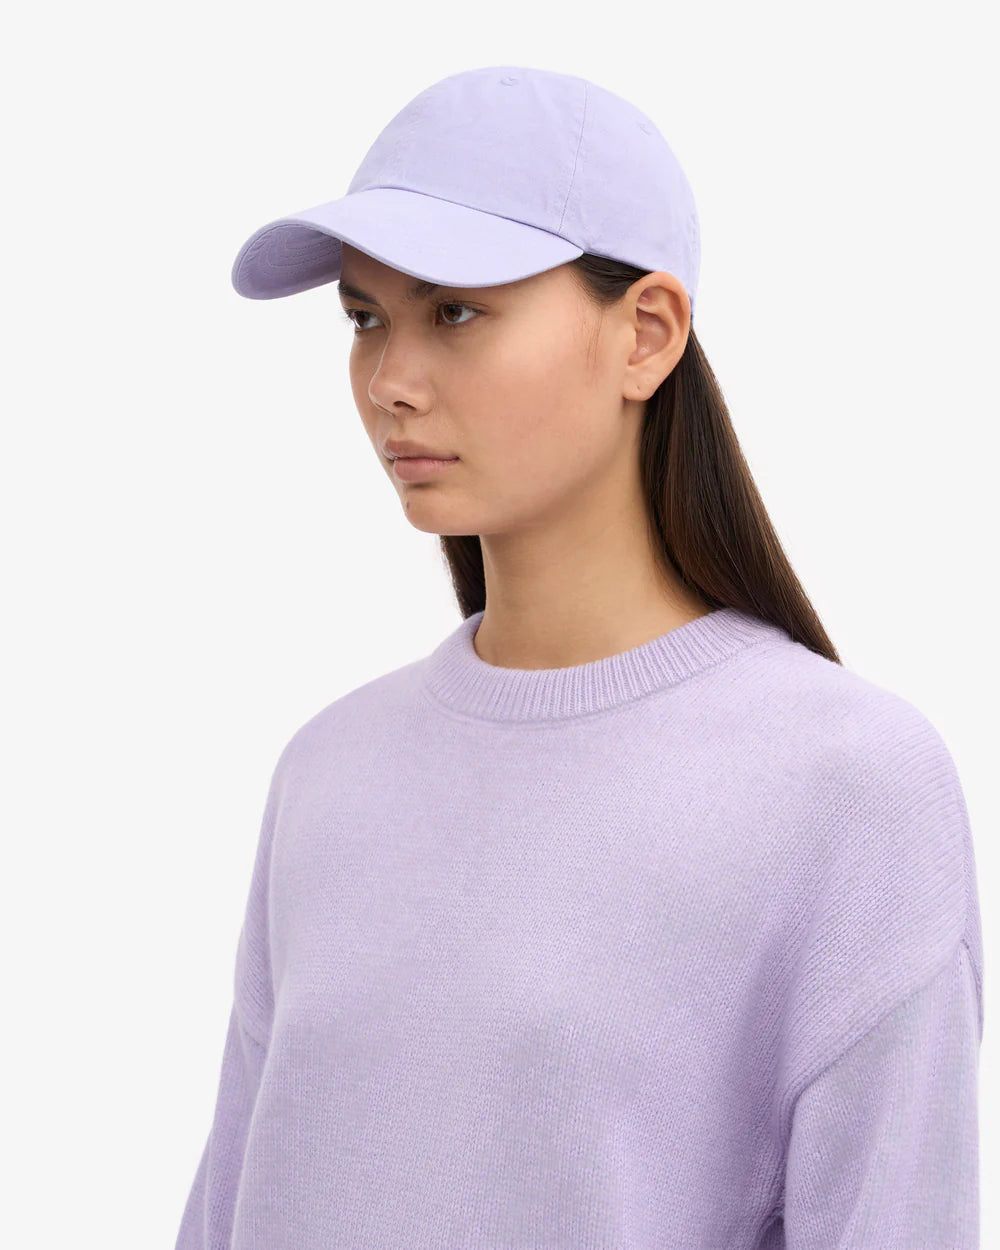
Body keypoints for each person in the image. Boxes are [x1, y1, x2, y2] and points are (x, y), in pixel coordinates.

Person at [174, 66, 984, 1249]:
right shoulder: (330, 769)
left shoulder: (844, 782)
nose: (390, 382)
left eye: (455, 311)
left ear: (645, 334)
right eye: (364, 318)